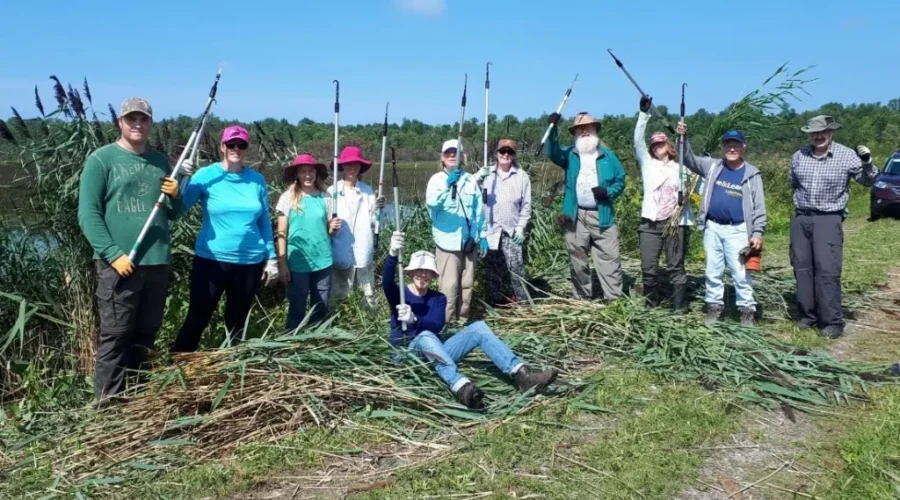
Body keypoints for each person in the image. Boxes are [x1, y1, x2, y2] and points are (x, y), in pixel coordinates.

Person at [77, 97, 185, 404]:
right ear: (120, 123)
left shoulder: (161, 162)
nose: (137, 124)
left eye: (143, 119)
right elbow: (88, 214)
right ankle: (106, 406)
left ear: (151, 124)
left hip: (156, 262)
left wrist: (176, 195)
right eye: (131, 119)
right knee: (116, 335)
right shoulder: (102, 159)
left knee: (145, 335)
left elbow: (173, 213)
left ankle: (136, 401)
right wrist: (112, 253)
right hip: (120, 264)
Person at [383, 231, 558, 409]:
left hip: (436, 354)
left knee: (478, 328)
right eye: (418, 271)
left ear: (433, 275)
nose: (422, 275)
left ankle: (522, 375)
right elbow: (387, 283)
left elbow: (436, 325)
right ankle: (461, 387)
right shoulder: (400, 296)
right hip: (407, 357)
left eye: (427, 271)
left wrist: (414, 319)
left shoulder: (438, 298)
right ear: (411, 272)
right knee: (425, 336)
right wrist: (392, 254)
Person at [171, 126, 278, 352]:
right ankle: (177, 364)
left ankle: (232, 367)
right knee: (198, 316)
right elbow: (178, 209)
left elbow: (264, 222)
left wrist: (272, 258)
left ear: (246, 149)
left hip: (250, 262)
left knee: (237, 322)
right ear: (222, 147)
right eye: (231, 144)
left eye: (241, 145)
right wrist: (181, 178)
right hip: (212, 259)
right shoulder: (206, 176)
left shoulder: (257, 180)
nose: (235, 149)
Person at [789, 115, 877, 338]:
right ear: (810, 134)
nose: (819, 136)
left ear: (831, 133)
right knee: (802, 269)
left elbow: (869, 181)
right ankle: (808, 316)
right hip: (801, 218)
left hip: (828, 218)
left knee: (827, 270)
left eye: (823, 132)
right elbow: (794, 184)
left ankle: (832, 322)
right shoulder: (799, 155)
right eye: (814, 133)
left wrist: (867, 162)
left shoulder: (847, 156)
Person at [677, 122, 767, 326]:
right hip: (713, 228)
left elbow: (759, 207)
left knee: (740, 273)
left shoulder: (752, 174)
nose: (732, 149)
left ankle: (746, 311)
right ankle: (714, 308)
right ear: (723, 147)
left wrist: (758, 232)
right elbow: (687, 159)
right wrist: (682, 138)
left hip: (738, 229)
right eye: (728, 145)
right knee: (712, 270)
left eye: (736, 145)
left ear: (744, 147)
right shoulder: (713, 166)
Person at [545, 111, 626, 301]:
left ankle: (613, 300)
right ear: (574, 134)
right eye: (580, 129)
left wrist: (608, 192)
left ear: (595, 130)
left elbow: (620, 180)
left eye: (588, 128)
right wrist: (552, 129)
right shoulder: (570, 155)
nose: (584, 132)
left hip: (603, 215)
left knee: (609, 259)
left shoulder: (608, 156)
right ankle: (582, 298)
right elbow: (553, 152)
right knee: (578, 261)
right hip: (576, 215)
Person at [634, 97, 694, 312]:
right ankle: (651, 305)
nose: (658, 146)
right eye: (655, 144)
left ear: (669, 145)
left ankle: (680, 307)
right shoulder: (647, 164)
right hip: (651, 223)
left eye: (662, 143)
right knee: (648, 267)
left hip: (677, 224)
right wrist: (643, 114)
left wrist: (684, 137)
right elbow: (637, 141)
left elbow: (693, 162)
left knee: (675, 266)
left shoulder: (683, 168)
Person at [276, 153, 341, 331]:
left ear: (316, 173)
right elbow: (281, 232)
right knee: (297, 306)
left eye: (310, 171)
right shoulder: (287, 198)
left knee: (320, 307)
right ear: (297, 174)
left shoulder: (326, 197)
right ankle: (291, 340)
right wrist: (282, 264)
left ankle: (316, 341)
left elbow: (330, 233)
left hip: (323, 261)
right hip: (297, 263)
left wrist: (334, 228)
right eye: (303, 171)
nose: (307, 175)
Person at [425, 139, 487, 324]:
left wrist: (482, 235)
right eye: (448, 153)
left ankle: (462, 321)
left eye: (456, 153)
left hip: (469, 242)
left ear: (462, 158)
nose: (452, 156)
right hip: (447, 242)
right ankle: (447, 323)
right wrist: (447, 187)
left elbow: (479, 211)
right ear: (442, 158)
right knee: (449, 286)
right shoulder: (436, 180)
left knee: (467, 285)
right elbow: (432, 204)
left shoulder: (470, 180)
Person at [326, 146, 385, 309]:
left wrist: (379, 209)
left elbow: (375, 223)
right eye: (348, 164)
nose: (351, 168)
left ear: (360, 167)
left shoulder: (367, 192)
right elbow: (325, 223)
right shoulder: (332, 192)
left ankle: (367, 324)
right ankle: (335, 322)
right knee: (338, 297)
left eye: (355, 164)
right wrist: (330, 225)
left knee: (367, 297)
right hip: (340, 251)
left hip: (363, 250)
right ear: (342, 166)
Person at [475, 138, 532, 306]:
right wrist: (478, 177)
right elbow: (468, 189)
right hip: (490, 232)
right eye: (503, 151)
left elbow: (526, 206)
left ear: (514, 155)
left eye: (510, 152)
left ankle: (524, 303)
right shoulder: (486, 174)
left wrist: (521, 228)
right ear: (496, 153)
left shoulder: (522, 177)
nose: (506, 154)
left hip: (512, 232)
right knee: (493, 271)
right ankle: (496, 303)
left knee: (517, 269)